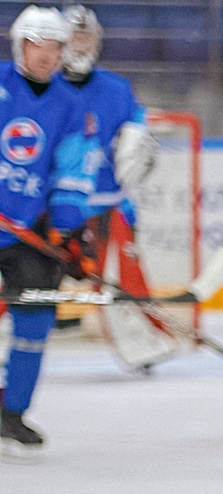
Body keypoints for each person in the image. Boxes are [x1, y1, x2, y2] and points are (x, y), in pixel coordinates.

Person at [0, 4, 95, 454]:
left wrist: (69, 231)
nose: (47, 54)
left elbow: (71, 172)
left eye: (55, 46)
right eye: (38, 44)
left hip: (24, 231)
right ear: (20, 45)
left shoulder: (71, 104)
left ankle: (10, 411)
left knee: (35, 322)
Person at [57, 7, 153, 260]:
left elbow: (138, 131)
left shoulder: (117, 89)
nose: (80, 47)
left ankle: (130, 297)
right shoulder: (45, 89)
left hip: (110, 202)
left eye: (87, 38)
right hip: (56, 206)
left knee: (125, 286)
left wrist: (141, 152)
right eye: (74, 38)